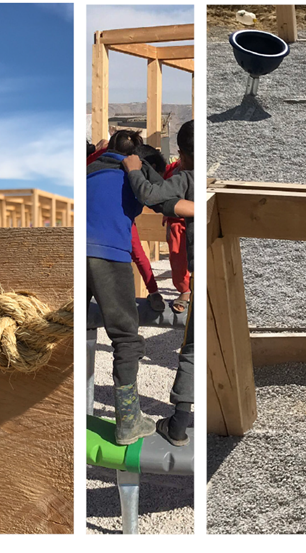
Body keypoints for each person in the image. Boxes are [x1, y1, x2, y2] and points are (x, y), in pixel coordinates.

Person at [86, 130, 165, 444]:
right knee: (125, 336)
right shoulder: (134, 171)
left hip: (70, 249)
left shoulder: (90, 169)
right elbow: (161, 199)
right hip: (108, 254)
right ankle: (128, 421)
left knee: (64, 326)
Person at [121, 120, 195, 446]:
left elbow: (152, 196)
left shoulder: (186, 177)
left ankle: (178, 425)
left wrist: (135, 169)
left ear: (182, 153)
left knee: (193, 349)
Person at [162, 157, 192, 313]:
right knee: (177, 257)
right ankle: (184, 290)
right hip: (176, 220)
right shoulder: (172, 170)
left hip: (196, 216)